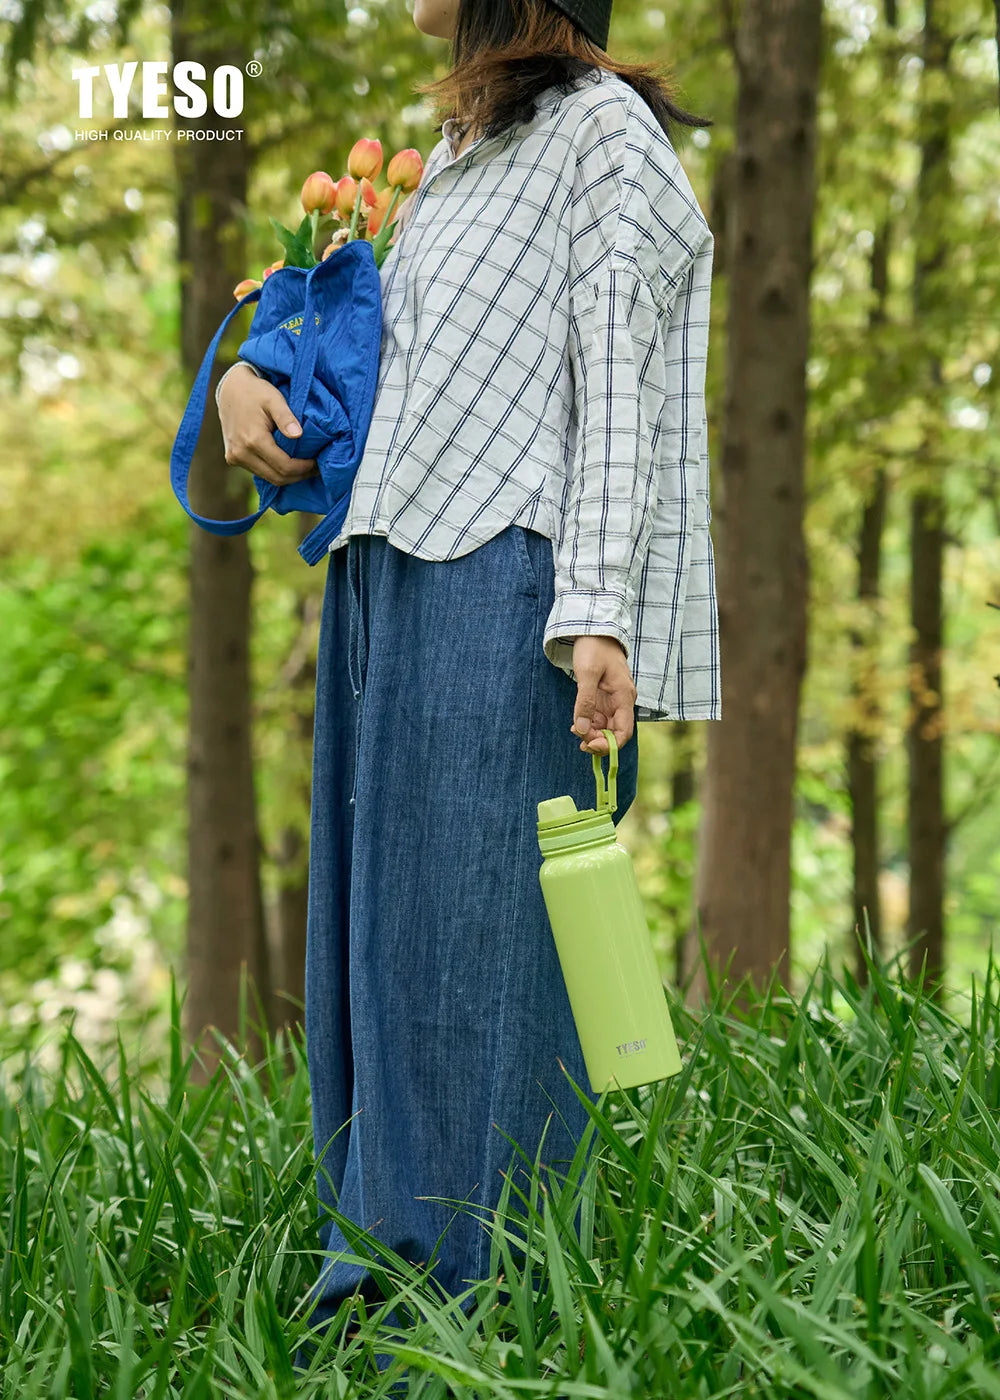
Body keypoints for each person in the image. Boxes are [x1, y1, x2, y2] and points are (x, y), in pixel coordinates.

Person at [216, 0, 721, 1370]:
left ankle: (459, 1327)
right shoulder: (460, 149)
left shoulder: (602, 134)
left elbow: (615, 379)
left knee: (468, 964)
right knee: (374, 959)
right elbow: (391, 356)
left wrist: (600, 611)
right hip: (386, 570)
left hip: (506, 573)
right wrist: (252, 374)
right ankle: (371, 1298)